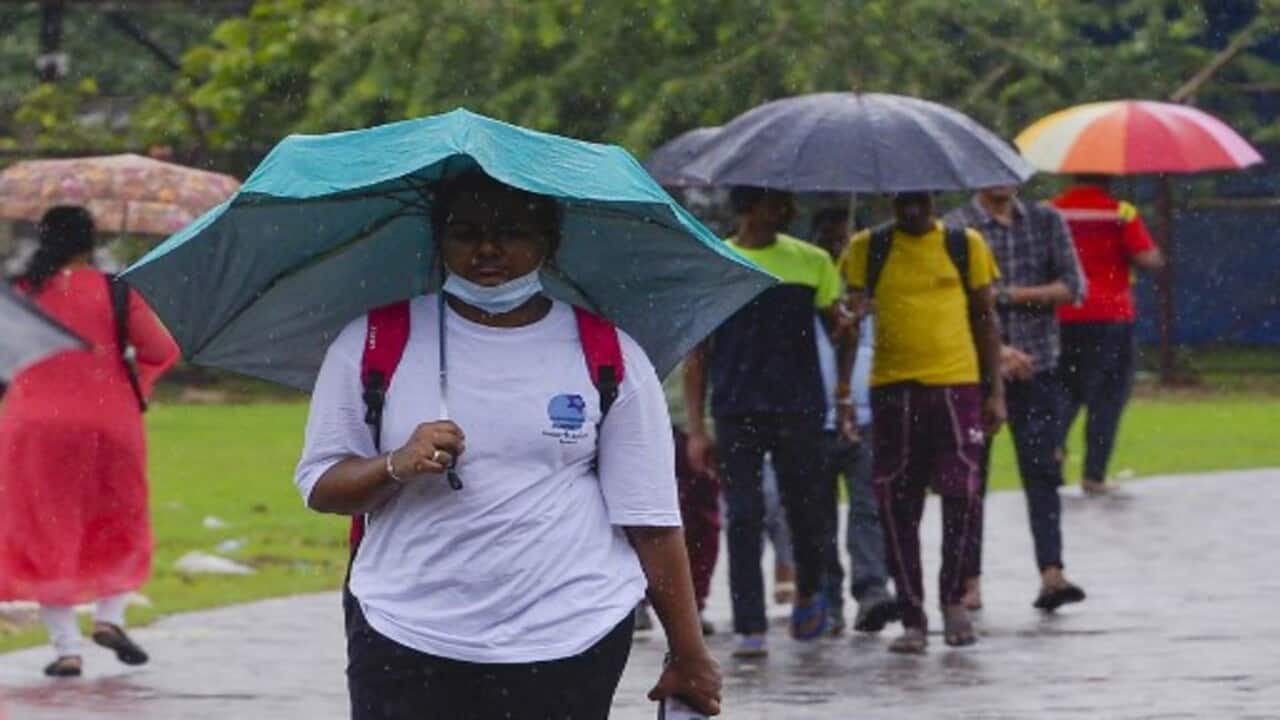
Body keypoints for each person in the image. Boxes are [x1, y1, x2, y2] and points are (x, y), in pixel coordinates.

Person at [295, 172, 721, 719]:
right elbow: (323, 487)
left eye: (512, 232)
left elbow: (652, 520)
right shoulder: (376, 341)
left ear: (549, 241)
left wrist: (689, 652)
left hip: (570, 637)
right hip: (405, 633)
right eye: (465, 232)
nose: (488, 249)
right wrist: (396, 464)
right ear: (438, 240)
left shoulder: (608, 352)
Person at [0, 206, 179, 677]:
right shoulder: (119, 291)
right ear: (90, 241)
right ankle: (109, 618)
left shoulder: (19, 295)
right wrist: (132, 382)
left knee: (46, 528)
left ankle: (66, 649)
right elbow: (161, 350)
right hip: (109, 423)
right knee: (118, 516)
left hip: (33, 427)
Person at [683, 186, 850, 658]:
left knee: (808, 509)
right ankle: (749, 622)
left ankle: (809, 591)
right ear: (749, 208)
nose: (789, 212)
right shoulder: (717, 262)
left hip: (800, 406)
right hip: (737, 409)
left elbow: (838, 328)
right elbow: (699, 354)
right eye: (778, 203)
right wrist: (697, 428)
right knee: (744, 514)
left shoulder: (813, 260)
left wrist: (844, 337)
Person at [837, 192, 1005, 653]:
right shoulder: (866, 248)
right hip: (892, 391)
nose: (912, 206)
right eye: (903, 198)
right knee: (896, 502)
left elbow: (986, 318)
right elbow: (847, 319)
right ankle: (912, 615)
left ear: (933, 196)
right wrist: (844, 391)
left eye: (920, 198)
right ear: (891, 197)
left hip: (956, 389)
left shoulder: (963, 243)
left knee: (962, 493)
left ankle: (953, 597)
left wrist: (996, 391)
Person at [946, 186, 1089, 612]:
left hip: (1038, 368)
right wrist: (997, 352)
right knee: (971, 480)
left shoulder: (1046, 221)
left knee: (1042, 472)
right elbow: (953, 299)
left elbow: (1073, 286)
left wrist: (1005, 296)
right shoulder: (956, 229)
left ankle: (1052, 572)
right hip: (973, 373)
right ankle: (968, 580)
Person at [809, 208, 897, 636]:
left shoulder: (875, 301)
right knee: (817, 515)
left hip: (867, 417)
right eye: (828, 241)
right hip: (814, 420)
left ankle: (871, 590)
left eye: (845, 241)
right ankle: (827, 598)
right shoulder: (805, 299)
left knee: (868, 507)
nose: (837, 249)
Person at [1051, 176, 1164, 496]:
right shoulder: (1121, 212)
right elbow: (1146, 258)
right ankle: (1094, 474)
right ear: (1109, 176)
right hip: (1109, 314)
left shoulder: (1051, 211)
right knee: (1108, 395)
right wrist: (1152, 255)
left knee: (1064, 387)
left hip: (1062, 312)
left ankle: (1053, 452)